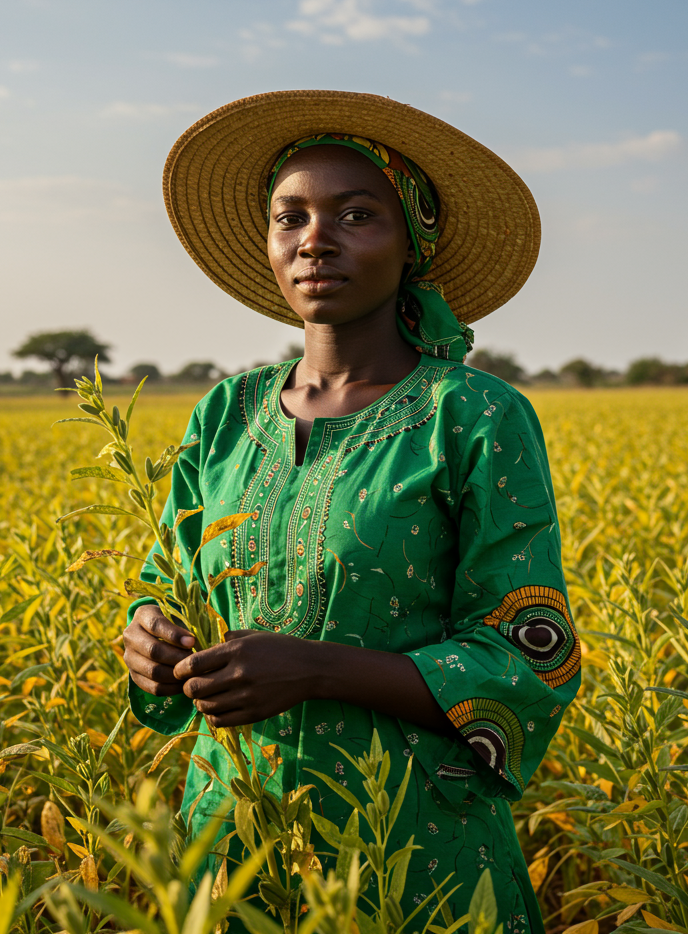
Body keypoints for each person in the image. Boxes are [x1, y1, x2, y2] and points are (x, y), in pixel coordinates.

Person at [122, 91, 581, 933]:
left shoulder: (473, 416)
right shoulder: (226, 414)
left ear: (413, 246)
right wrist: (149, 632)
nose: (313, 240)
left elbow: (527, 654)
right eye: (288, 217)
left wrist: (319, 669)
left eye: (356, 215)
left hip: (415, 852)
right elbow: (168, 578)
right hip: (232, 840)